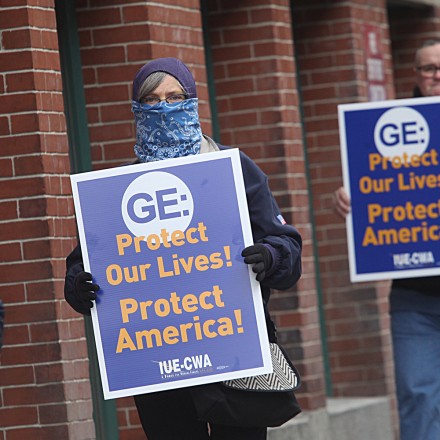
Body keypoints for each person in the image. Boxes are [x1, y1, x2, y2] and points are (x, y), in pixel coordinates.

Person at [64, 58, 302, 440]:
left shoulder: (234, 169)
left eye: (175, 97)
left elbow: (286, 245)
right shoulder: (118, 189)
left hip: (232, 348)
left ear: (192, 101)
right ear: (137, 108)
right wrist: (80, 285)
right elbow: (85, 265)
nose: (164, 108)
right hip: (158, 362)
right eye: (152, 99)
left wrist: (271, 256)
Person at [334, 39, 440, 440]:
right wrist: (345, 199)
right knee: (417, 395)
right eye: (428, 68)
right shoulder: (386, 123)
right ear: (415, 74)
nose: (436, 75)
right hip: (414, 299)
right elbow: (369, 188)